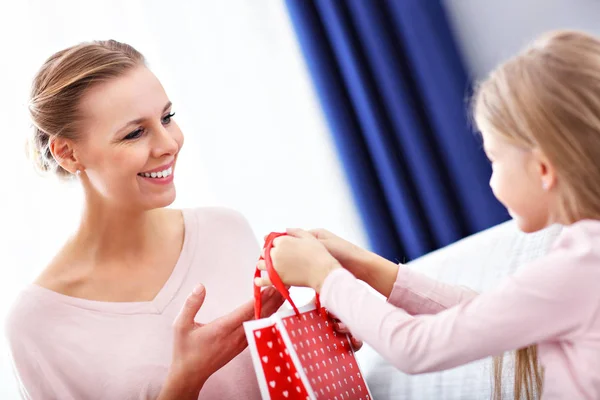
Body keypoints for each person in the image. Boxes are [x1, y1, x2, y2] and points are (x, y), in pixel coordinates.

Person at [257, 30, 600, 399]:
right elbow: (483, 316)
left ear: (543, 170)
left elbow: (416, 347)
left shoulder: (582, 265)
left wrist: (326, 278)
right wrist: (368, 268)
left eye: (494, 159)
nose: (491, 178)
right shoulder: (582, 260)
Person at [5, 39, 286, 400]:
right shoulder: (37, 324)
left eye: (167, 118)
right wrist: (186, 380)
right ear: (68, 153)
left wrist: (328, 329)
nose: (168, 143)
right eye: (135, 133)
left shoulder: (227, 230)